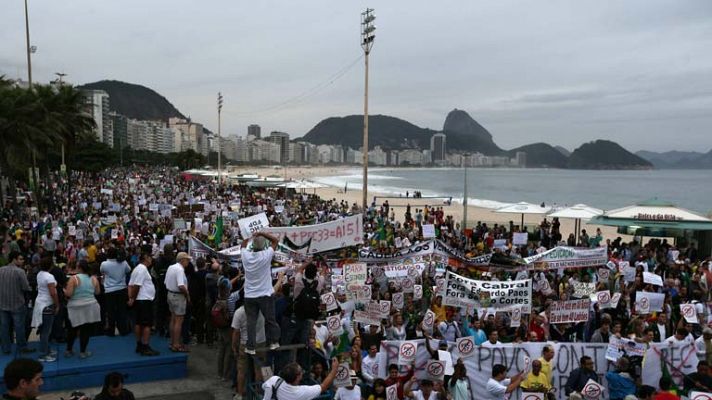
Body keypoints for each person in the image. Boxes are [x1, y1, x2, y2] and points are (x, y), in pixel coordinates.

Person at [241, 232, 280, 355]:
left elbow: (242, 245)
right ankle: (273, 342)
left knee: (251, 322)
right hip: (265, 294)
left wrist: (249, 235)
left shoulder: (245, 255)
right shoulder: (266, 254)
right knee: (270, 320)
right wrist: (262, 232)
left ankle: (250, 347)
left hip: (249, 295)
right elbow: (275, 241)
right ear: (264, 245)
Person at [64, 259, 101, 359]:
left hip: (75, 307)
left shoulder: (74, 279)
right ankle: (83, 352)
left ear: (79, 268)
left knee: (72, 329)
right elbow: (97, 292)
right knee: (86, 330)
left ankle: (69, 350)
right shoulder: (93, 278)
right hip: (90, 306)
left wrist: (64, 291)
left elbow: (69, 294)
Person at [0, 251, 34, 355]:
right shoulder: (20, 272)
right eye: (20, 259)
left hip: (2, 303)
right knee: (19, 327)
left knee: (4, 328)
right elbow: (26, 287)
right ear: (14, 259)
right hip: (17, 304)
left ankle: (6, 348)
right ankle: (22, 348)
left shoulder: (0, 270)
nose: (22, 261)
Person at [128, 252, 160, 356]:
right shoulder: (142, 269)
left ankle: (139, 345)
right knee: (146, 324)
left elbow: (130, 285)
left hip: (140, 299)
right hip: (144, 300)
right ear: (146, 257)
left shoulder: (137, 268)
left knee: (138, 323)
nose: (151, 259)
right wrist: (132, 298)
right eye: (150, 257)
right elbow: (136, 285)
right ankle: (145, 346)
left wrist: (131, 298)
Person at [261, 358, 340, 400]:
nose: (303, 372)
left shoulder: (274, 380)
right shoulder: (301, 392)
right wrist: (334, 370)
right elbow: (323, 387)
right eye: (301, 371)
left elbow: (264, 387)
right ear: (298, 377)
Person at [31, 257, 60, 362]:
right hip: (47, 304)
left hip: (40, 303)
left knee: (43, 330)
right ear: (51, 266)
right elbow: (53, 293)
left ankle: (46, 349)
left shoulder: (39, 274)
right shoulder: (50, 277)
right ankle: (43, 354)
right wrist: (57, 305)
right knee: (46, 331)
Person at [100, 247, 131, 336]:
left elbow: (101, 271)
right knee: (122, 310)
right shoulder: (123, 262)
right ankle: (123, 330)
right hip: (121, 289)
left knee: (110, 311)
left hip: (109, 290)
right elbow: (128, 270)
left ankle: (111, 330)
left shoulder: (104, 264)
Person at [164, 252, 191, 353]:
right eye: (187, 259)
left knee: (173, 319)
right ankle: (176, 344)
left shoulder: (171, 267)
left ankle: (172, 342)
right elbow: (181, 285)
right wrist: (187, 294)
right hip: (178, 296)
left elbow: (166, 282)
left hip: (170, 294)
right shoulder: (180, 270)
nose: (188, 261)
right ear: (182, 260)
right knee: (179, 321)